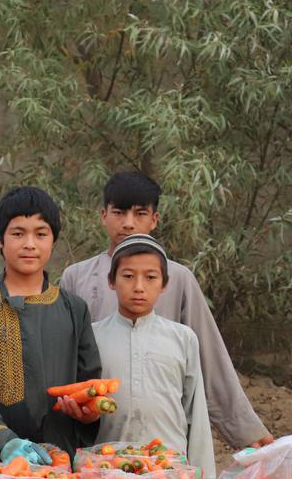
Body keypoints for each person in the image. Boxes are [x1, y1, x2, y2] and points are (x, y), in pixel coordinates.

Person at [60, 171, 273, 449]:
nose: (128, 223)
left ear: (154, 219)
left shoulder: (178, 277)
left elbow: (209, 357)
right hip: (97, 429)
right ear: (103, 215)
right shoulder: (76, 277)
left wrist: (246, 432)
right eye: (119, 212)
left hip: (162, 423)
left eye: (140, 213)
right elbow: (63, 361)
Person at [0, 186, 102, 465]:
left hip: (58, 459)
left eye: (41, 233)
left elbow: (89, 381)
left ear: (53, 240)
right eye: (18, 233)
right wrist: (3, 443)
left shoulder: (74, 308)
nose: (29, 244)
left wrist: (88, 412)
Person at [91, 234, 214, 479]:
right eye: (127, 276)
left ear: (164, 284)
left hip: (170, 470)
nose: (139, 286)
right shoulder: (91, 337)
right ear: (111, 281)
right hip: (106, 471)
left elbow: (196, 411)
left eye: (150, 277)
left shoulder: (182, 338)